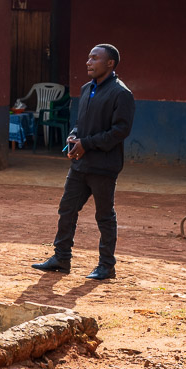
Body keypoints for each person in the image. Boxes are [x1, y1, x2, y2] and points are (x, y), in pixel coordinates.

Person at [33, 44, 133, 281]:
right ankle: (61, 258)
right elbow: (81, 123)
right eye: (88, 57)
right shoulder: (87, 89)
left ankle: (106, 266)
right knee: (67, 209)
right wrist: (73, 136)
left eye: (94, 58)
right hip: (80, 164)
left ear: (110, 63)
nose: (88, 62)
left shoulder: (121, 93)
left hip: (103, 166)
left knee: (104, 216)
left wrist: (86, 143)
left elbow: (120, 131)